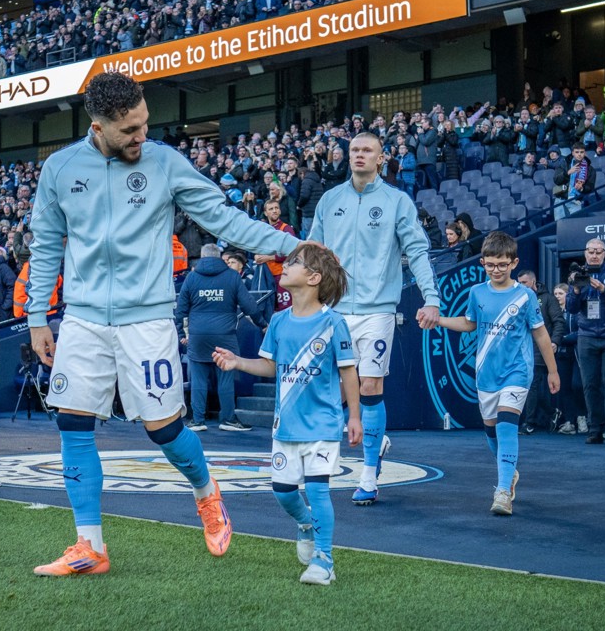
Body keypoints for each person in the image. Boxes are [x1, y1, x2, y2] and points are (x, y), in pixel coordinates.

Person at [26, 72, 301, 576]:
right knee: (72, 424)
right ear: (99, 125)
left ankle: (206, 492)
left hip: (147, 319)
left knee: (165, 430)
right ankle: (90, 545)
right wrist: (37, 316)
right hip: (83, 319)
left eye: (144, 124)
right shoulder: (60, 168)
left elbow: (224, 219)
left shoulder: (165, 162)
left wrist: (291, 245)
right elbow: (45, 245)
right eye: (130, 129)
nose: (141, 137)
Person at [213, 243, 361, 585]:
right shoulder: (278, 321)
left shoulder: (334, 323)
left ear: (313, 277)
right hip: (286, 426)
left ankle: (324, 560)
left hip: (323, 425)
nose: (285, 266)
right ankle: (306, 523)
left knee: (319, 489)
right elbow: (268, 365)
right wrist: (237, 362)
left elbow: (349, 373)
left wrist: (353, 416)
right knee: (282, 491)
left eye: (293, 263)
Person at [308, 131, 440, 507]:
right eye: (354, 150)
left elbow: (416, 251)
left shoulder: (397, 201)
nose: (359, 155)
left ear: (381, 158)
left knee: (368, 387)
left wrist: (432, 298)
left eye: (367, 150)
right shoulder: (330, 200)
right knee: (329, 386)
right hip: (333, 310)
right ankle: (350, 446)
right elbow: (312, 255)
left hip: (378, 310)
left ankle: (368, 473)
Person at [435, 232, 560, 515]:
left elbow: (540, 334)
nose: (496, 269)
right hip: (486, 375)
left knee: (506, 426)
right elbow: (469, 324)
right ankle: (509, 472)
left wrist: (552, 371)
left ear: (513, 262)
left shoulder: (526, 296)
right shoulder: (477, 293)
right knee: (491, 432)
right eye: (490, 264)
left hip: (517, 372)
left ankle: (502, 491)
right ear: (483, 263)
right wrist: (439, 320)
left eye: (502, 264)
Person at [176, 244, 268, 432]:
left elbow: (180, 309)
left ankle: (197, 420)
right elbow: (249, 305)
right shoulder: (232, 276)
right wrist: (263, 324)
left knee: (198, 379)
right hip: (225, 335)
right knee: (226, 377)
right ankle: (227, 419)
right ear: (220, 258)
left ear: (202, 257)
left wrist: (180, 334)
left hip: (198, 335)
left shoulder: (192, 277)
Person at [565, 238, 605, 445]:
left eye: (599, 251)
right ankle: (595, 429)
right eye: (591, 251)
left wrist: (604, 289)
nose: (594, 255)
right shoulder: (577, 274)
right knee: (589, 384)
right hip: (586, 336)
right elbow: (571, 308)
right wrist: (575, 290)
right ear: (585, 253)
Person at [516, 270, 565, 435]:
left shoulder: (548, 299)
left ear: (533, 282)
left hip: (540, 350)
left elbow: (559, 322)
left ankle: (529, 423)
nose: (521, 285)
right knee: (530, 387)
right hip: (522, 350)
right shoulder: (517, 299)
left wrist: (555, 341)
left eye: (524, 282)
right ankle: (552, 412)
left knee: (532, 385)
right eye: (519, 282)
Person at [552, 283, 585, 435]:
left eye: (560, 293)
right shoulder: (555, 312)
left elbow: (580, 332)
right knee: (564, 387)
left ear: (567, 295)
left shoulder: (576, 310)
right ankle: (569, 421)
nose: (557, 296)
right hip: (561, 354)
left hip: (576, 352)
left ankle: (582, 417)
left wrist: (560, 339)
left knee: (577, 385)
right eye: (555, 293)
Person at [255, 199, 299, 312]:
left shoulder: (286, 229)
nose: (274, 211)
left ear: (280, 211)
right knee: (270, 308)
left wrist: (268, 258)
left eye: (276, 208)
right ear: (265, 213)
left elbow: (293, 252)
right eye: (271, 209)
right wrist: (256, 255)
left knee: (285, 308)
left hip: (282, 275)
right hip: (267, 275)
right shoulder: (263, 230)